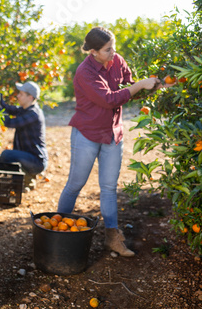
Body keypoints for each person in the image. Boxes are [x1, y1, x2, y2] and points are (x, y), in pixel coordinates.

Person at [57, 26, 174, 257]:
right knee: (75, 185)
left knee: (109, 188)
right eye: (108, 50)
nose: (113, 53)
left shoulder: (117, 61)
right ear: (93, 51)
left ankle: (112, 237)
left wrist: (158, 85)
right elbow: (109, 99)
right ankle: (59, 234)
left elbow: (130, 88)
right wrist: (138, 85)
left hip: (112, 134)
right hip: (87, 133)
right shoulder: (84, 72)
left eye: (114, 47)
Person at [0, 81, 48, 189]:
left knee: (6, 155)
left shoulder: (33, 114)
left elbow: (10, 123)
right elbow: (8, 109)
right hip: (26, 157)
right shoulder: (25, 110)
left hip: (36, 161)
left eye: (21, 94)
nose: (18, 96)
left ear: (30, 97)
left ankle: (27, 178)